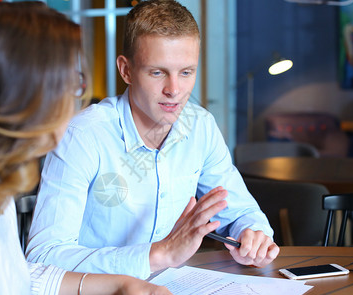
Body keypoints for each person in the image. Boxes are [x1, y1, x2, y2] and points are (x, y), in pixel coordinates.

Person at [0, 2, 176, 295]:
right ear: (18, 96)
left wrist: (120, 284)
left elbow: (15, 276)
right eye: (70, 83)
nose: (75, 97)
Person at [26, 0, 279, 280]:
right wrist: (159, 255)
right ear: (126, 70)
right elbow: (43, 256)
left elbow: (239, 209)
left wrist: (251, 233)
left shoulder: (201, 126)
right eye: (158, 72)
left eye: (186, 72)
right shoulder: (83, 136)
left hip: (176, 288)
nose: (174, 90)